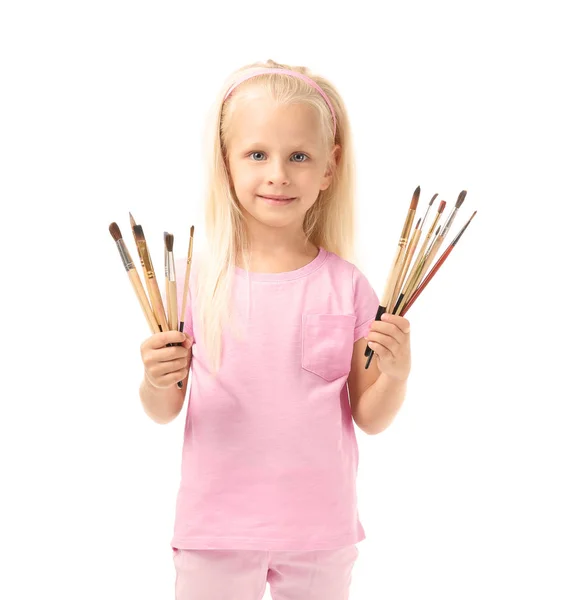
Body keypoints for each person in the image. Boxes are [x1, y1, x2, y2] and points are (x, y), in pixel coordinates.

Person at [138, 59, 412, 600]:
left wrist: (397, 377)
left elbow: (369, 417)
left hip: (320, 530)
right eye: (257, 154)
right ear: (226, 163)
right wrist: (153, 379)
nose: (278, 174)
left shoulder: (349, 285)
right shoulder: (196, 283)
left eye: (299, 156)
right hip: (214, 528)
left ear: (329, 168)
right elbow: (164, 408)